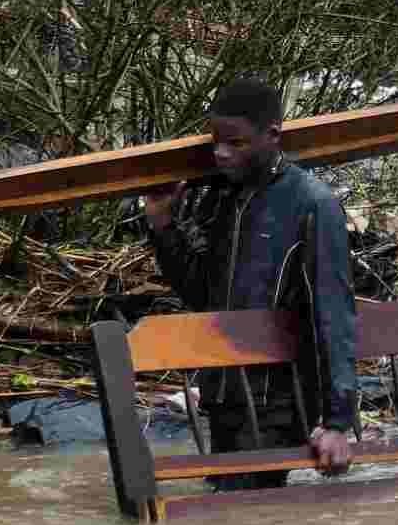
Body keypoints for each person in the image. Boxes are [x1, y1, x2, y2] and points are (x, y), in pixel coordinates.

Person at [142, 79, 358, 490]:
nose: (221, 153)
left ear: (273, 135)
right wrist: (164, 224)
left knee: (243, 512)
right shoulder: (223, 199)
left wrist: (335, 421)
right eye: (216, 142)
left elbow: (332, 313)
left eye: (236, 143)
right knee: (233, 517)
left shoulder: (312, 204)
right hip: (224, 393)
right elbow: (200, 295)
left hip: (276, 399)